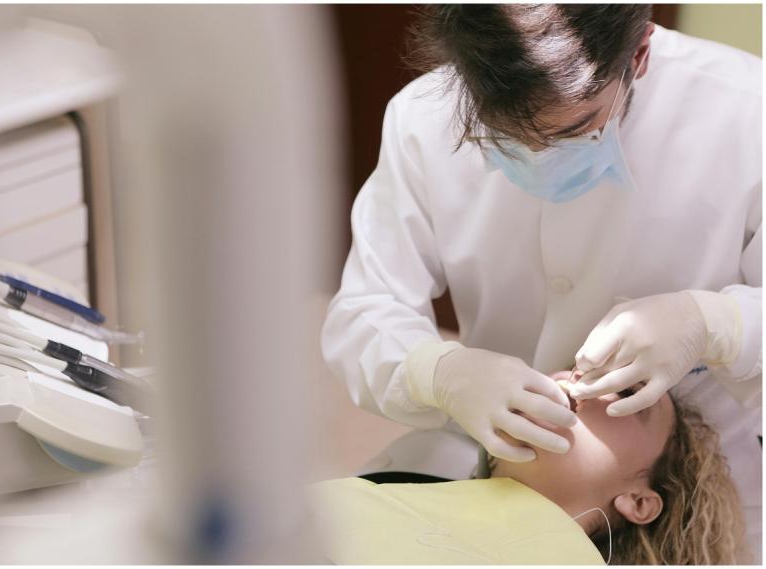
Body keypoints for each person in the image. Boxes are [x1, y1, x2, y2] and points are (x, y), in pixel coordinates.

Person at [321, 4, 761, 559]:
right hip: (475, 461)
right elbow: (366, 311)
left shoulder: (747, 110)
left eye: (576, 128)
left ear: (640, 53)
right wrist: (441, 372)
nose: (536, 152)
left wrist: (716, 324)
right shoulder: (420, 117)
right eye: (499, 130)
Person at [311, 383, 745, 564]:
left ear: (640, 500)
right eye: (578, 367)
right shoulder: (388, 491)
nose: (578, 379)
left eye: (630, 394)